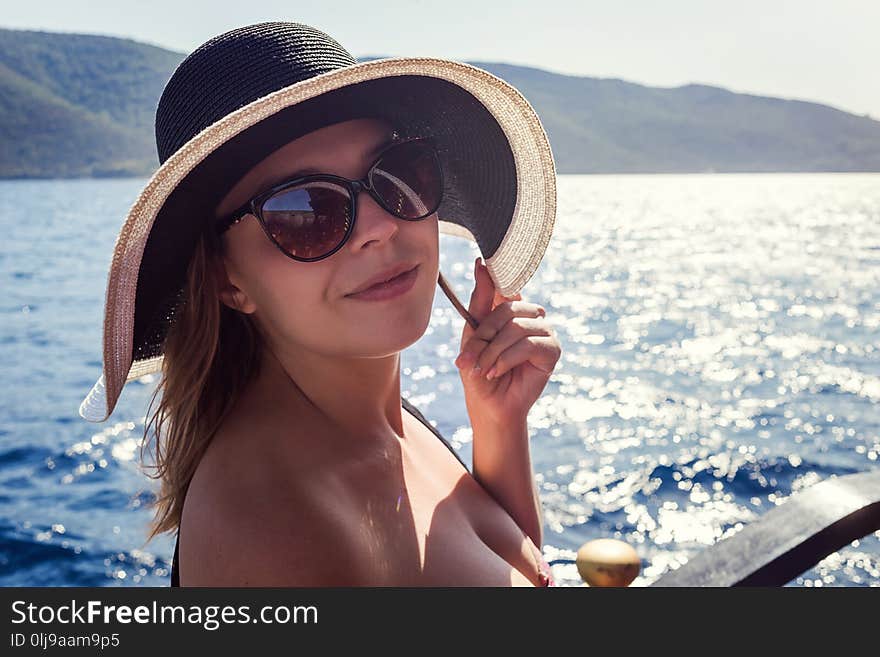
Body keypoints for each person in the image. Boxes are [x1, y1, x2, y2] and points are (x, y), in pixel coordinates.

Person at [79, 21, 561, 586]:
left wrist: (499, 424)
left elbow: (512, 568)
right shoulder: (268, 528)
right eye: (306, 212)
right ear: (227, 280)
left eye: (399, 174)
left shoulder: (382, 425)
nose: (380, 226)